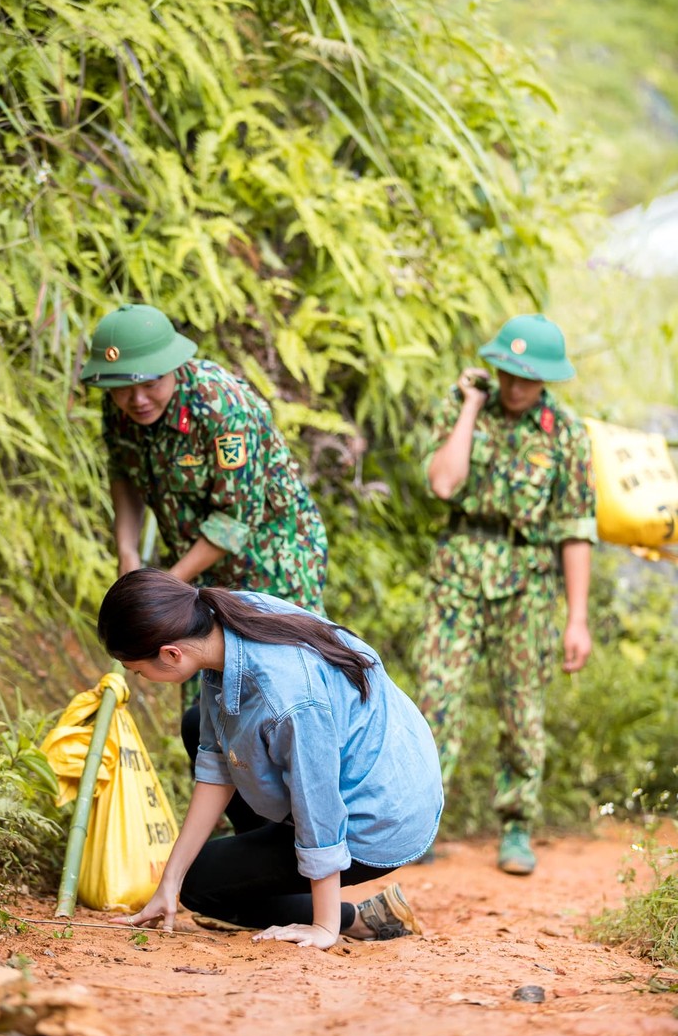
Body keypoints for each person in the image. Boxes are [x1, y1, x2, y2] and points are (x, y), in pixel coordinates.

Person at [97, 568, 444, 949]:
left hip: (381, 813)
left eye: (137, 671)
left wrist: (325, 926)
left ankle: (356, 919)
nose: (140, 678)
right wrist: (168, 883)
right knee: (198, 724)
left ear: (171, 654)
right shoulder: (221, 619)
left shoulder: (285, 697)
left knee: (202, 887)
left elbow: (319, 803)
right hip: (376, 757)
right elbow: (215, 763)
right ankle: (265, 876)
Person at [81, 302, 329, 833]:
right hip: (194, 570)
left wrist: (167, 583)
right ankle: (249, 843)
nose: (136, 398)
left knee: (276, 692)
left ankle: (311, 838)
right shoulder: (123, 406)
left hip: (274, 559)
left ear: (173, 366)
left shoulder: (223, 407)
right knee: (205, 702)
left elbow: (235, 521)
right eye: (121, 388)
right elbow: (124, 475)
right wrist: (128, 552)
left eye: (148, 383)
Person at [417, 314, 596, 876]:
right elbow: (444, 483)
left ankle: (517, 826)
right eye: (507, 374)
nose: (515, 388)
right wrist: (471, 407)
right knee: (436, 697)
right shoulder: (466, 403)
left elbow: (575, 529)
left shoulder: (565, 433)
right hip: (459, 570)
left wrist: (577, 619)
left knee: (521, 709)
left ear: (548, 380)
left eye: (528, 379)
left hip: (528, 582)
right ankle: (418, 824)